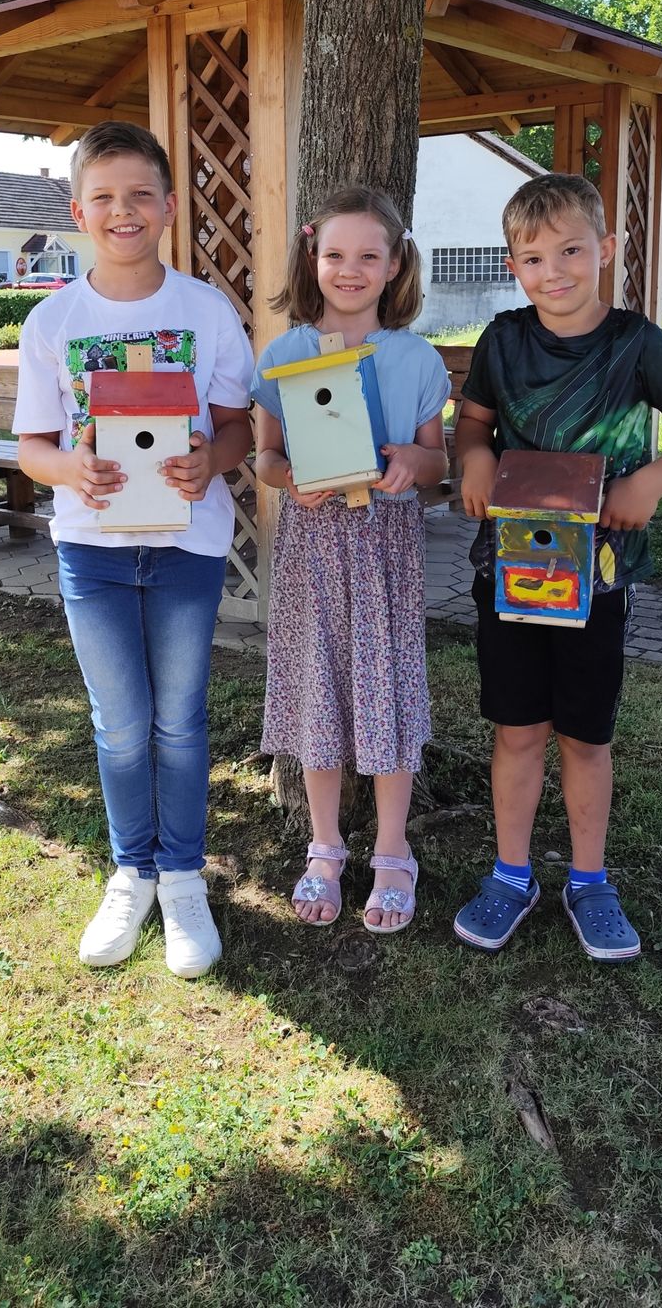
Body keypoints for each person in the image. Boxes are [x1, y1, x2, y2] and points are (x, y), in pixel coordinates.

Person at [452, 173, 662, 962]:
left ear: (606, 250)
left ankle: (589, 879)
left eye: (571, 250)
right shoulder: (502, 341)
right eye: (532, 257)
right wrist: (471, 458)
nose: (554, 271)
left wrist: (647, 482)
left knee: (585, 736)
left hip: (599, 577)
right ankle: (511, 876)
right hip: (508, 570)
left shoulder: (637, 343)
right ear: (513, 266)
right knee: (516, 730)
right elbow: (472, 424)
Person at [13, 121, 254, 979]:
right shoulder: (52, 320)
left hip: (187, 547)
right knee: (120, 728)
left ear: (168, 208)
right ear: (79, 211)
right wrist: (69, 467)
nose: (125, 210)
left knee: (179, 722)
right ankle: (131, 873)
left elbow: (236, 429)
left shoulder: (205, 309)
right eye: (105, 197)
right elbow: (33, 445)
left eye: (141, 194)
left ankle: (183, 879)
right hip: (93, 551)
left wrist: (209, 463)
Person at [253, 187, 450, 933]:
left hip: (386, 556)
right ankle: (326, 846)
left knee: (386, 691)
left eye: (370, 255)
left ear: (396, 264)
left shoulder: (416, 358)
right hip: (312, 552)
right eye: (336, 254)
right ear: (314, 256)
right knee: (319, 691)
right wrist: (290, 479)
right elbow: (268, 458)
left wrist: (411, 463)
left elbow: (438, 460)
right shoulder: (283, 355)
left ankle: (395, 849)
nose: (351, 269)